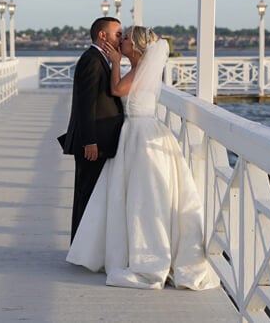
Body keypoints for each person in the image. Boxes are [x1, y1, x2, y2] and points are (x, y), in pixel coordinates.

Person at [66, 26, 220, 291]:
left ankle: (149, 255)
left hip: (141, 134)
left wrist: (114, 63)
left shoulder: (138, 70)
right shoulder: (137, 68)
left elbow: (116, 90)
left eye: (124, 39)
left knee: (144, 196)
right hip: (132, 133)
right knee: (128, 194)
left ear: (134, 46)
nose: (120, 41)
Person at [59, 17, 125, 244]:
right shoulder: (92, 61)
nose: (121, 38)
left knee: (91, 194)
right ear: (102, 35)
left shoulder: (99, 59)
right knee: (86, 194)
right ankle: (80, 246)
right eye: (118, 34)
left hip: (99, 139)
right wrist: (90, 141)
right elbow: (85, 105)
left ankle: (84, 245)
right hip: (92, 142)